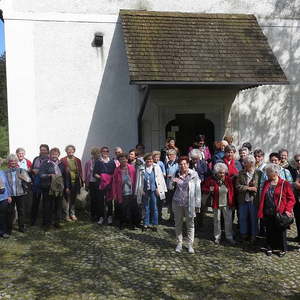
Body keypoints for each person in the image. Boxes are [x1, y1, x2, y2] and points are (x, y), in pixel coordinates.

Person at [258, 163, 295, 257]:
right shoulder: (267, 182)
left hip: (280, 212)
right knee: (269, 230)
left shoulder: (284, 184)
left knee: (281, 231)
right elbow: (263, 196)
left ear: (274, 173)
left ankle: (282, 248)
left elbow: (291, 199)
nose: (266, 174)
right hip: (267, 210)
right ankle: (269, 247)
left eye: (268, 172)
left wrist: (287, 210)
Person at [172, 156, 201, 253]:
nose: (183, 166)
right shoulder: (176, 173)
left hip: (189, 203)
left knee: (190, 224)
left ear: (188, 164)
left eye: (184, 164)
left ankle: (190, 245)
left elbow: (197, 189)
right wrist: (171, 181)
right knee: (178, 223)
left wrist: (198, 204)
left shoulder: (194, 174)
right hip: (177, 202)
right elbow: (172, 187)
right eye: (181, 164)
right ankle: (179, 243)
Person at [202, 163, 235, 245]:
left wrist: (233, 203)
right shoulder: (211, 180)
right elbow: (203, 188)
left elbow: (232, 192)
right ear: (216, 173)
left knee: (228, 221)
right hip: (216, 203)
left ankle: (229, 237)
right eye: (220, 173)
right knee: (217, 220)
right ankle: (217, 237)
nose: (222, 174)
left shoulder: (228, 180)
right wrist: (209, 190)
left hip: (227, 203)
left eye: (223, 173)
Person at [135, 153, 167, 231]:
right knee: (146, 207)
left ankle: (154, 224)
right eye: (148, 159)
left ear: (153, 160)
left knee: (154, 207)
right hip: (145, 191)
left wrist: (159, 189)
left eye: (151, 159)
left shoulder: (157, 167)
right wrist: (140, 189)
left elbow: (160, 179)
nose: (149, 161)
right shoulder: (141, 168)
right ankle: (146, 224)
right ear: (145, 160)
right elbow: (138, 180)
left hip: (154, 191)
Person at [39, 148, 69, 230]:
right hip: (48, 188)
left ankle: (57, 222)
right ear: (49, 155)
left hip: (59, 188)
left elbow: (65, 177)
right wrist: (49, 175)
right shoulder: (45, 163)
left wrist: (66, 187)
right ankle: (47, 224)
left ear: (58, 155)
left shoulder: (62, 164)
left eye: (56, 154)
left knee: (58, 206)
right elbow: (40, 175)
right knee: (48, 206)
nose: (54, 156)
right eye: (53, 154)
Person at [235, 155, 263, 243]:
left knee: (254, 219)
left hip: (254, 200)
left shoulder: (259, 173)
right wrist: (248, 188)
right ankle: (244, 234)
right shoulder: (241, 173)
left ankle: (253, 236)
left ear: (251, 164)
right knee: (243, 218)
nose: (243, 164)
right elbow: (237, 186)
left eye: (245, 163)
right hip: (243, 200)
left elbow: (261, 187)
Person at [5, 154, 31, 233]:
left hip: (21, 194)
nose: (13, 162)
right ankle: (9, 228)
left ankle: (21, 227)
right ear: (8, 162)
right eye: (11, 161)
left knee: (21, 211)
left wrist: (24, 177)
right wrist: (7, 195)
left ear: (17, 162)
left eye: (14, 161)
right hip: (10, 195)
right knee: (10, 212)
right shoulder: (5, 172)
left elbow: (29, 180)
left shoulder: (21, 170)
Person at [112, 153, 138, 229]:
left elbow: (135, 179)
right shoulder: (117, 170)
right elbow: (114, 183)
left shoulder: (131, 168)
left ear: (127, 159)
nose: (123, 160)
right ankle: (122, 223)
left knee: (131, 208)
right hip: (121, 192)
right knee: (123, 208)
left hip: (131, 191)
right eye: (121, 159)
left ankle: (130, 224)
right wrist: (114, 194)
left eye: (124, 159)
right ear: (119, 160)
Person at [93, 146, 116, 225]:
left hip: (109, 185)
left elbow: (114, 173)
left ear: (108, 152)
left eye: (106, 151)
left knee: (109, 201)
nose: (105, 153)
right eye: (103, 151)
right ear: (101, 152)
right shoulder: (98, 162)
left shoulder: (112, 162)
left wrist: (109, 179)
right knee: (100, 201)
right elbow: (94, 174)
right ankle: (101, 217)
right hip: (100, 184)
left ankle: (109, 217)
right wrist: (102, 178)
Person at [189, 149, 210, 229]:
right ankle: (192, 224)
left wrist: (204, 182)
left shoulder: (203, 164)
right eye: (193, 158)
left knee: (201, 206)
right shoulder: (189, 164)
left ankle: (200, 224)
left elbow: (208, 175)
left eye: (196, 159)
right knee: (192, 206)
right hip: (191, 188)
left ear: (199, 157)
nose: (194, 160)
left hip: (201, 188)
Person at [61, 145, 83, 222]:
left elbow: (80, 171)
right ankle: (66, 215)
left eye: (72, 149)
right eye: (68, 150)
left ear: (74, 151)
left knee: (73, 199)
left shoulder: (77, 160)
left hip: (75, 182)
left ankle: (72, 214)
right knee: (67, 199)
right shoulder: (63, 160)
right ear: (66, 151)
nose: (70, 151)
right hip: (67, 183)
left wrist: (81, 181)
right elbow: (62, 173)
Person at [30, 144, 50, 226]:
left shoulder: (50, 160)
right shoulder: (36, 159)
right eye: (41, 149)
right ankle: (32, 221)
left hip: (46, 184)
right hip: (36, 184)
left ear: (47, 151)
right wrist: (32, 171)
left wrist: (39, 171)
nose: (43, 151)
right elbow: (31, 169)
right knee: (35, 203)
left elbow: (51, 171)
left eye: (44, 150)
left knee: (46, 204)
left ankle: (45, 222)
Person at [84, 147, 101, 222]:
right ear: (92, 154)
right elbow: (86, 173)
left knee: (98, 199)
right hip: (91, 182)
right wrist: (86, 183)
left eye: (98, 153)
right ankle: (93, 215)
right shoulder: (88, 162)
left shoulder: (101, 161)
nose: (97, 155)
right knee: (92, 200)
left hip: (98, 182)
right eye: (95, 154)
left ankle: (98, 215)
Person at [287, 154, 300, 242]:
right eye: (297, 160)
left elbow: (296, 184)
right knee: (298, 218)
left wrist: (296, 184)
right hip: (296, 198)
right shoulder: (294, 170)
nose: (299, 162)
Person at [165, 149, 179, 224]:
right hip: (168, 186)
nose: (169, 156)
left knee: (175, 204)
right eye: (168, 155)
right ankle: (171, 217)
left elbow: (181, 179)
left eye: (170, 155)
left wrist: (173, 178)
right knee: (170, 203)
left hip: (175, 187)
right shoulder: (166, 164)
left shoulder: (177, 165)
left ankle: (175, 218)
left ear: (175, 156)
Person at [152, 151, 166, 223]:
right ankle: (154, 217)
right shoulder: (151, 164)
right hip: (154, 185)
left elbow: (164, 173)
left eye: (158, 157)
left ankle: (159, 216)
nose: (157, 159)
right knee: (154, 202)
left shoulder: (161, 163)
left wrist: (162, 174)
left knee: (160, 202)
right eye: (155, 157)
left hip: (161, 184)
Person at [0, 170, 12, 238]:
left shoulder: (2, 172)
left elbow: (6, 184)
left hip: (4, 197)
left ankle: (3, 232)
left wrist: (9, 195)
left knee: (3, 215)